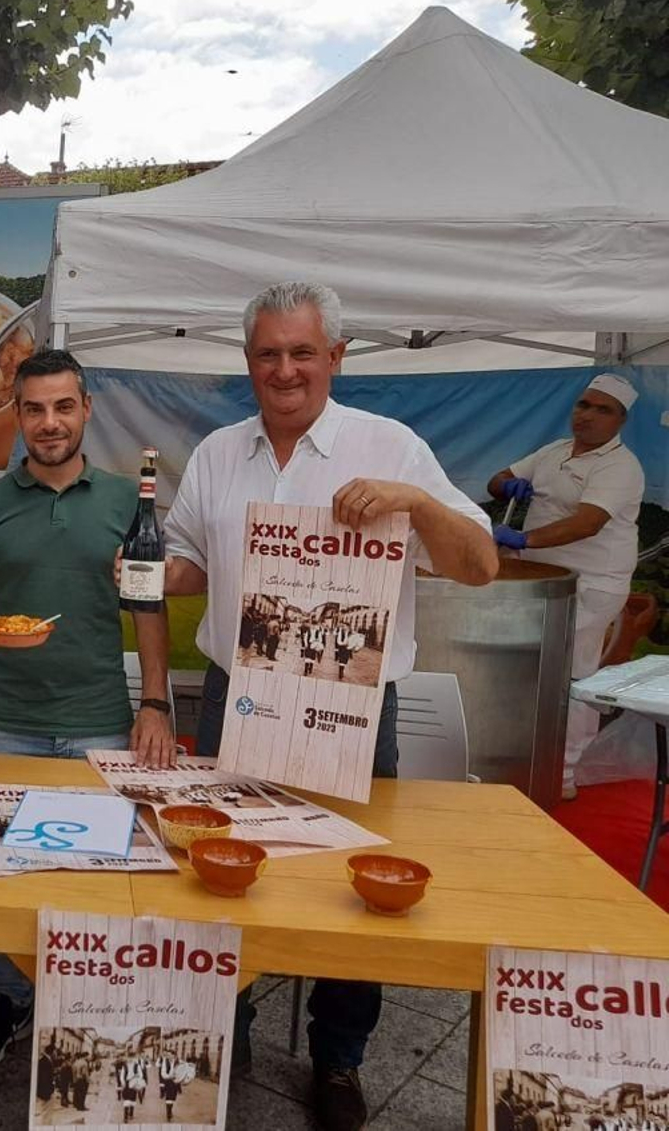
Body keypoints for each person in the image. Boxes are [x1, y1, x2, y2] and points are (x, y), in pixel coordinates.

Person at [162, 282, 497, 1130]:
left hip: (352, 702)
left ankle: (339, 1058)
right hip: (237, 697)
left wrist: (416, 502)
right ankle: (225, 1035)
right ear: (248, 362)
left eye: (302, 352)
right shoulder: (217, 455)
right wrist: (139, 572)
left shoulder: (390, 446)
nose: (285, 370)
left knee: (354, 884)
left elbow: (480, 566)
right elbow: (189, 565)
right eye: (268, 354)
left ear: (337, 357)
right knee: (221, 871)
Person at [0, 348, 175, 1073]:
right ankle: (9, 997)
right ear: (18, 415)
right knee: (10, 868)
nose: (50, 422)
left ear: (86, 410)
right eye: (35, 409)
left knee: (97, 873)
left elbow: (149, 607)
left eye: (63, 407)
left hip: (99, 720)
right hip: (8, 719)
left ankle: (91, 1005)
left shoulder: (127, 503)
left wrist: (156, 703)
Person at [487, 375, 645, 799]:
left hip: (592, 584)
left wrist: (523, 539)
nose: (587, 415)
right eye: (583, 405)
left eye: (602, 410)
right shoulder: (554, 451)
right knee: (533, 671)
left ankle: (566, 774)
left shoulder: (620, 466)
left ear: (620, 420)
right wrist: (505, 485)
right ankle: (525, 758)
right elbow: (498, 479)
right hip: (542, 579)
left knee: (573, 674)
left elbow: (587, 522)